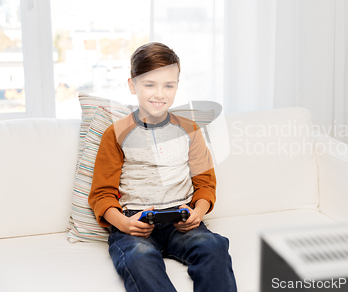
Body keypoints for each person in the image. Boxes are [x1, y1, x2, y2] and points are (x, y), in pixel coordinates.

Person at [88, 42, 237, 292]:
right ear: (132, 85)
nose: (160, 94)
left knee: (214, 247)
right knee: (139, 258)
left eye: (169, 85)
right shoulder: (115, 133)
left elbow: (205, 184)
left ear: (177, 85)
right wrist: (124, 224)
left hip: (181, 219)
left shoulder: (189, 129)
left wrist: (197, 213)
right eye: (149, 85)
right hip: (134, 222)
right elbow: (101, 194)